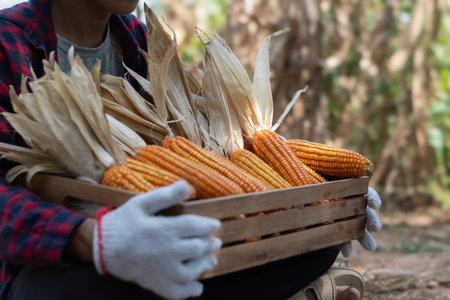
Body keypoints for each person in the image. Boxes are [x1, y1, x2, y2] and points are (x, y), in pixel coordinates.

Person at [0, 1, 381, 299]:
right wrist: (96, 241)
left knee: (316, 246)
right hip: (52, 267)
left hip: (162, 248)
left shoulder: (137, 38)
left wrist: (324, 195)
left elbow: (206, 152)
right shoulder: (8, 41)